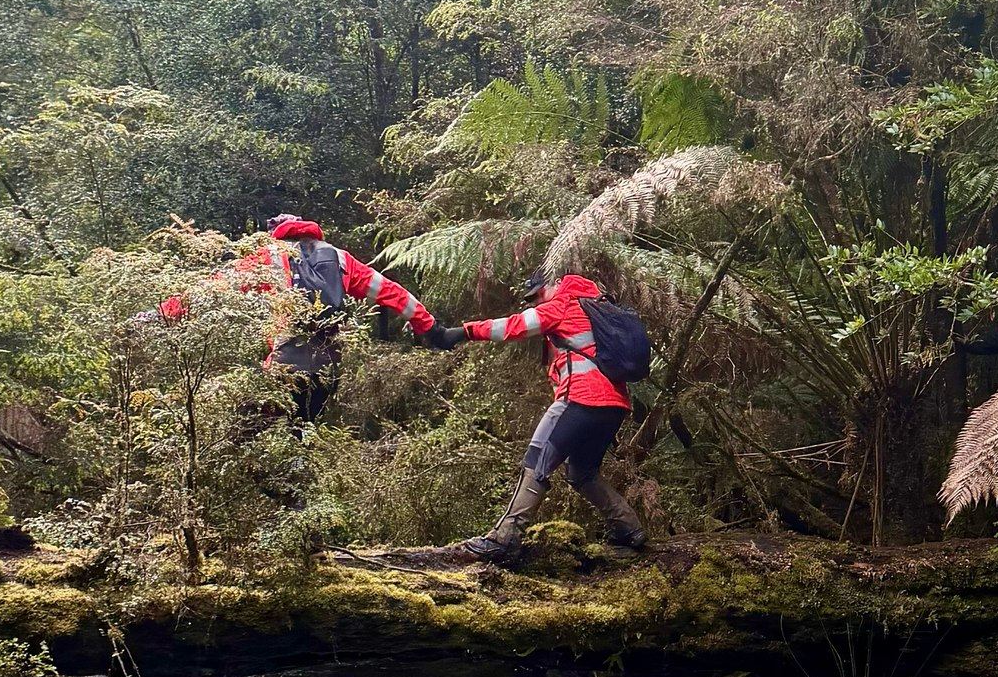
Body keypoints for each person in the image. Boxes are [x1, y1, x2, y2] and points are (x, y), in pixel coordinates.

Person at [155, 214, 460, 424]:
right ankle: (302, 501)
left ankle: (283, 498)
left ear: (276, 235)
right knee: (301, 429)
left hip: (284, 365)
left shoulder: (268, 258)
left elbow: (214, 288)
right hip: (326, 368)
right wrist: (428, 326)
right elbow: (391, 291)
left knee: (244, 433)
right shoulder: (340, 258)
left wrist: (162, 314)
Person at [459, 271, 646, 561]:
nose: (535, 303)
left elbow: (512, 327)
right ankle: (628, 528)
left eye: (538, 294)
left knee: (537, 462)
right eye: (532, 299)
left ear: (556, 284)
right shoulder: (594, 306)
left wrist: (464, 331)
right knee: (582, 472)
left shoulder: (563, 305)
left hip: (580, 399)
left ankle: (506, 538)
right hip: (614, 405)